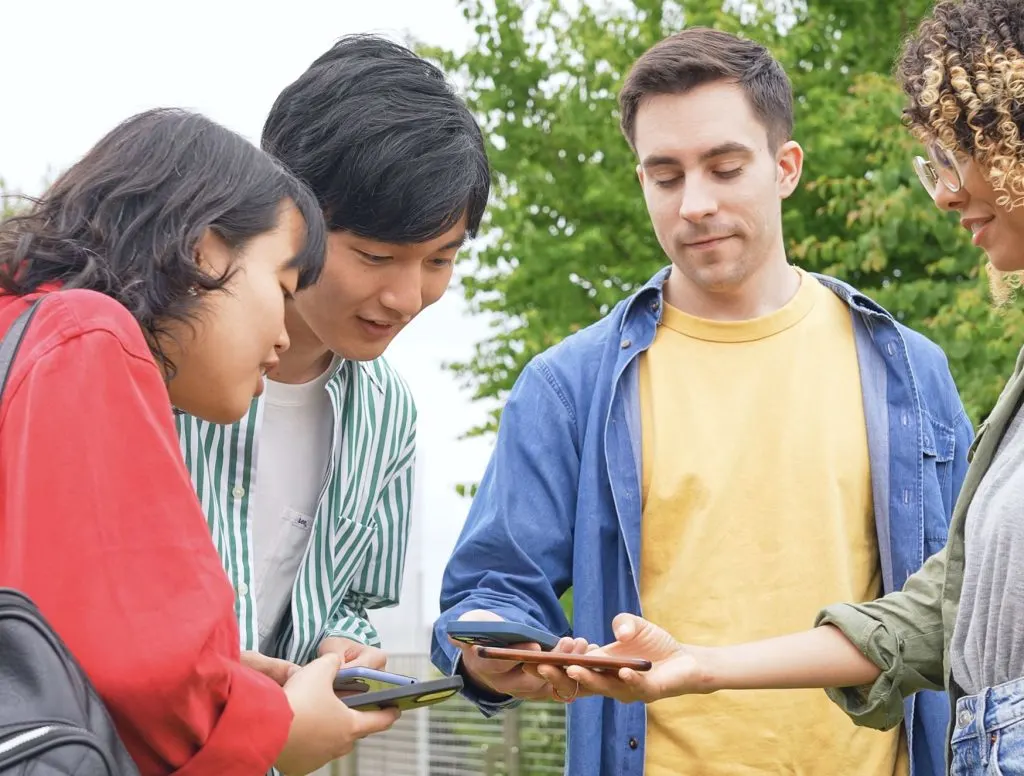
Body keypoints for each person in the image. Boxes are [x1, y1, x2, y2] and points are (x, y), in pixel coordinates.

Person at [431, 26, 972, 776]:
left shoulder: (908, 370)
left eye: (724, 167)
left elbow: (969, 609)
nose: (695, 204)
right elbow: (488, 594)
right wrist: (498, 652)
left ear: (785, 168)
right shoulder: (569, 385)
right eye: (665, 175)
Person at [565, 2, 1024, 775]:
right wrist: (700, 666)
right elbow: (941, 615)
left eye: (964, 150)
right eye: (666, 174)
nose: (944, 192)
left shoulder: (907, 367)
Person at [0, 108, 398, 776]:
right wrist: (276, 728)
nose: (282, 334)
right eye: (282, 285)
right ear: (203, 247)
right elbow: (150, 673)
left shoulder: (25, 332)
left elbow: (59, 633)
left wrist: (220, 669)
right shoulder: (90, 334)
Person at [176, 34, 490, 680]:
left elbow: (345, 598)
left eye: (440, 260)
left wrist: (340, 647)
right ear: (288, 212)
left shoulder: (388, 414)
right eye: (375, 256)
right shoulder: (156, 355)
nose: (406, 296)